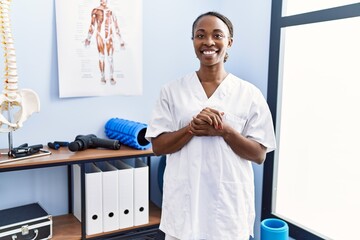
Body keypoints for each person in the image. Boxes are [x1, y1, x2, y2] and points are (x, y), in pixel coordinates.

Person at [145, 12, 276, 240]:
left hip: (228, 210)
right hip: (184, 208)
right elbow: (158, 147)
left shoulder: (250, 94)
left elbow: (259, 155)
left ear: (229, 42)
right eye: (200, 35)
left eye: (217, 35)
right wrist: (191, 128)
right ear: (193, 41)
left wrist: (225, 131)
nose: (208, 42)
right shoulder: (172, 91)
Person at [84, 0, 125, 85]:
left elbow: (116, 26)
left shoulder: (111, 11)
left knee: (110, 58)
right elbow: (92, 25)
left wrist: (121, 40)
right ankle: (102, 77)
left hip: (109, 36)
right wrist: (88, 38)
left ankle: (111, 76)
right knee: (101, 57)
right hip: (100, 36)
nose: (103, 1)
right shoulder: (95, 10)